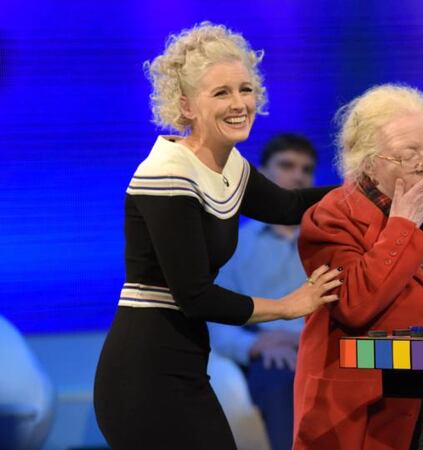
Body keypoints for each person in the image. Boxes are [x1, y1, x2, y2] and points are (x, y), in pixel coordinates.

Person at [93, 22, 341, 450]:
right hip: (144, 374)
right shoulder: (168, 171)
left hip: (185, 365)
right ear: (186, 105)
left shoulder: (231, 167)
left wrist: (367, 186)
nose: (239, 103)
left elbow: (288, 206)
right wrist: (288, 306)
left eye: (245, 89)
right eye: (221, 93)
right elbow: (195, 296)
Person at [292, 84, 423, 450]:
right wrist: (402, 227)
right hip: (360, 416)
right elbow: (355, 305)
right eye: (409, 154)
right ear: (369, 164)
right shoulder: (329, 217)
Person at [209, 133, 319, 450]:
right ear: (263, 174)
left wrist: (299, 340)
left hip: (317, 346)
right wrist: (256, 344)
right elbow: (217, 321)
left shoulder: (328, 241)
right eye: (287, 165)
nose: (298, 175)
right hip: (265, 355)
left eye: (306, 169)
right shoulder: (235, 245)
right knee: (281, 378)